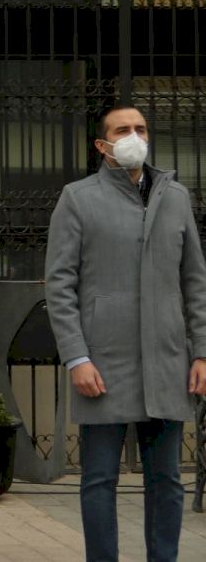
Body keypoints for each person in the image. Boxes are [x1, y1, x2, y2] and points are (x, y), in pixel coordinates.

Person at [45, 104, 206, 562]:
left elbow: (195, 280)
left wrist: (201, 352)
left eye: (140, 128)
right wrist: (77, 357)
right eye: (122, 130)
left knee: (167, 479)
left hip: (167, 359)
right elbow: (59, 284)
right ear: (103, 144)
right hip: (103, 362)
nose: (133, 136)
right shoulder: (78, 198)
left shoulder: (175, 196)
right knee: (99, 479)